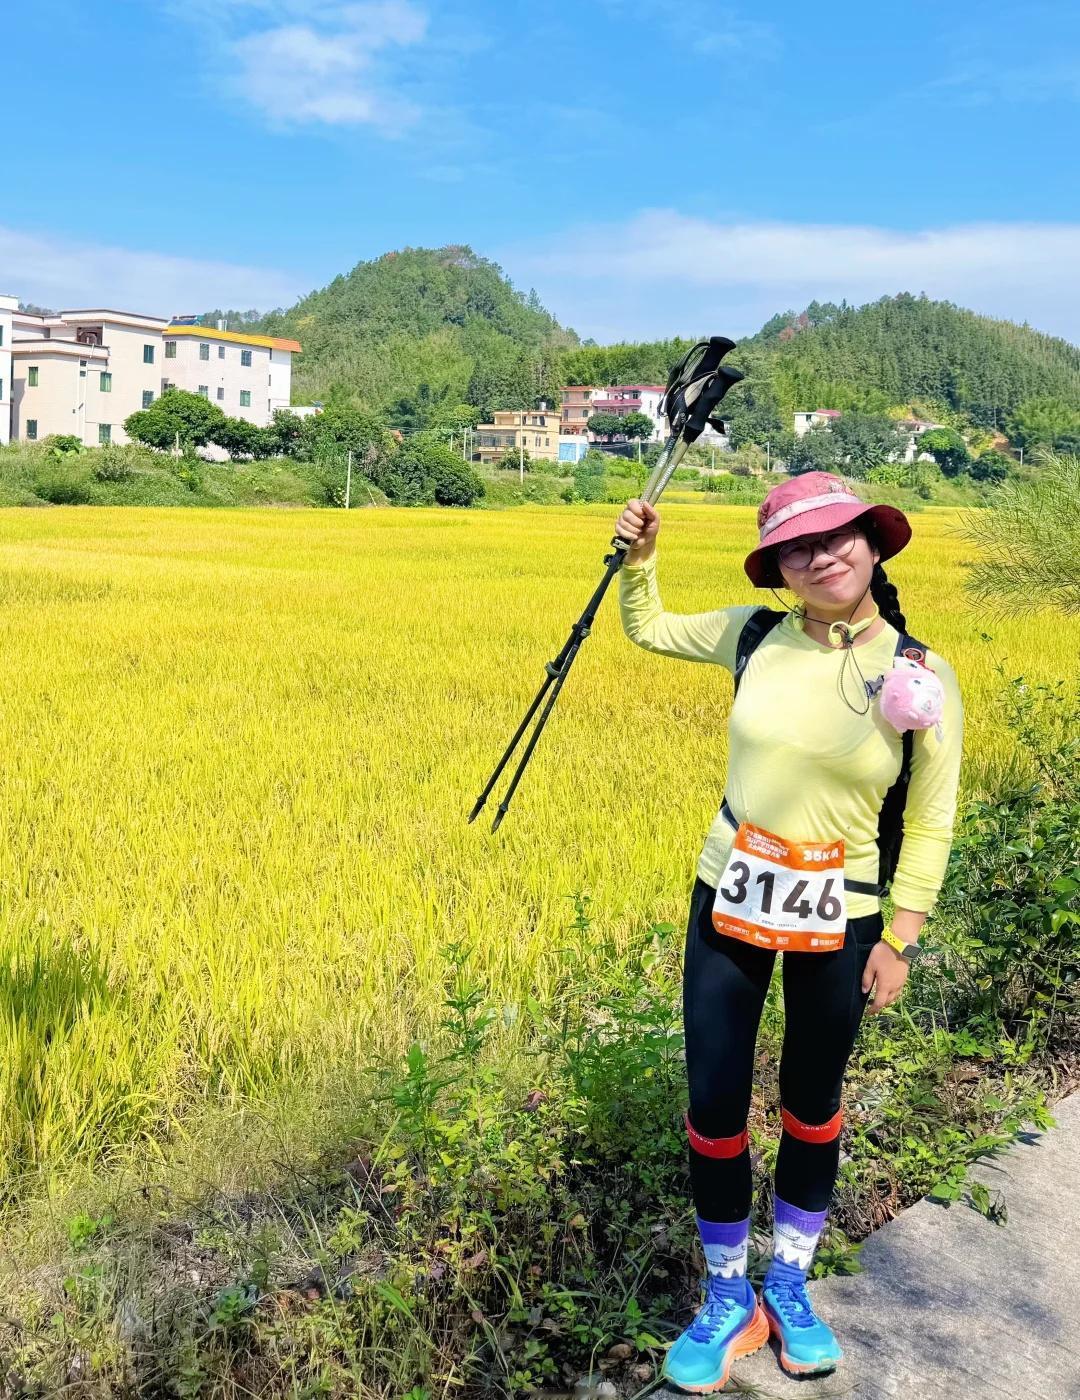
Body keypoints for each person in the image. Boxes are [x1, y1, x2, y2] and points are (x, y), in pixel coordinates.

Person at [614, 471, 963, 1392]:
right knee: (717, 1101)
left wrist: (901, 936)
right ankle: (728, 1298)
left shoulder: (918, 674)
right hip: (729, 897)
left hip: (840, 916)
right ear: (780, 568)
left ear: (873, 543)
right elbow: (648, 629)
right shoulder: (754, 633)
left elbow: (929, 817)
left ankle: (789, 1286)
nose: (822, 556)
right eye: (798, 547)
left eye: (838, 537)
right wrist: (640, 564)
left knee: (812, 1105)